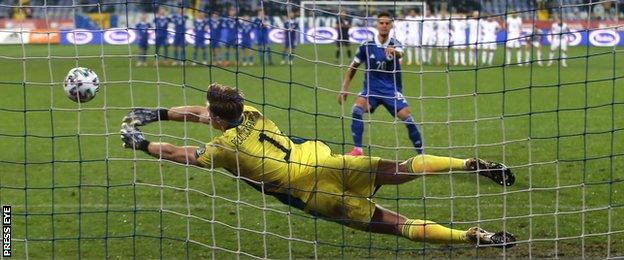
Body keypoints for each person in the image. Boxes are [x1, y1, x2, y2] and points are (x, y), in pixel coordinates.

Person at [120, 83, 517, 249]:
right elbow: (203, 113)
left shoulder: (222, 148)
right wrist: (162, 113)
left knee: (394, 223)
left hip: (312, 192)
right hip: (324, 159)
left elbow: (182, 154)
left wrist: (143, 142)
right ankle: (465, 163)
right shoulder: (253, 113)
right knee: (401, 167)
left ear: (217, 118)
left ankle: (470, 237)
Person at [337, 12, 423, 156]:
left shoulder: (395, 43)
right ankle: (358, 149)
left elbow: (401, 53)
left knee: (408, 119)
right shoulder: (366, 45)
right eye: (381, 23)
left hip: (391, 90)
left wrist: (394, 52)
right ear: (376, 25)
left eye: (387, 23)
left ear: (391, 26)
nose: (384, 26)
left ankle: (421, 155)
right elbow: (353, 67)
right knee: (356, 110)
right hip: (371, 90)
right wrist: (344, 89)